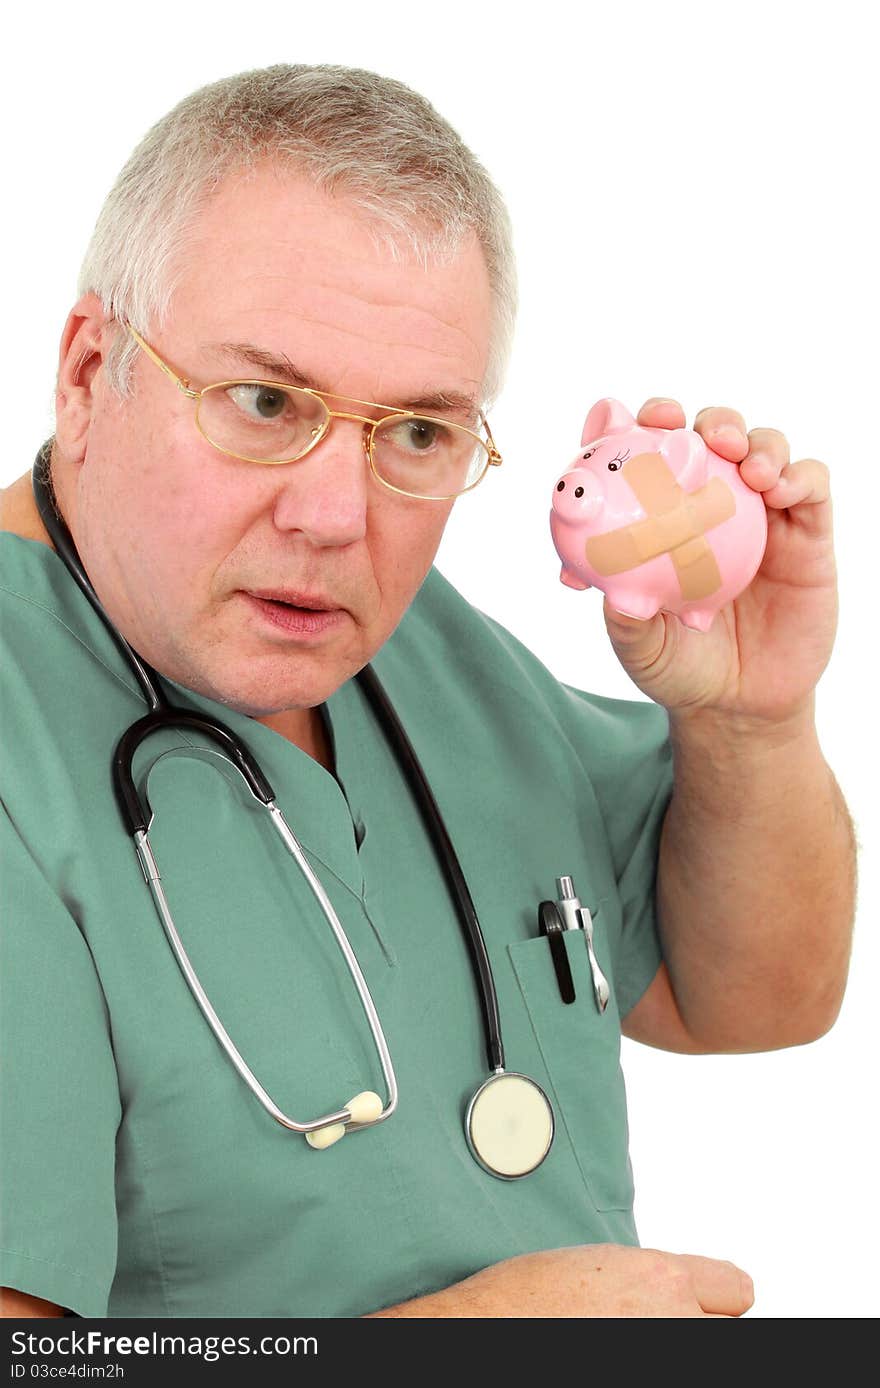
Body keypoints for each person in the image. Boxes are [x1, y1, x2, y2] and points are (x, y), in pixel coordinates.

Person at [0, 63, 856, 1320]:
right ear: (87, 372)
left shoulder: (418, 649)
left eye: (415, 432)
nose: (338, 516)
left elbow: (749, 996)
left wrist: (748, 719)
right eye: (262, 401)